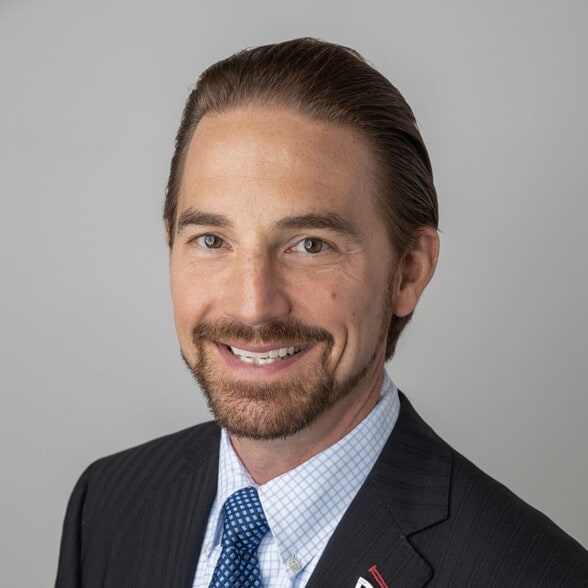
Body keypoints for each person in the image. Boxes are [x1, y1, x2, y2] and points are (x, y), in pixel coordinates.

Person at [55, 38, 588, 588]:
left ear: (408, 272)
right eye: (212, 240)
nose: (253, 307)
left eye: (310, 245)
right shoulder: (107, 504)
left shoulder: (537, 575)